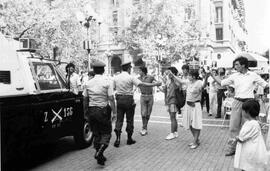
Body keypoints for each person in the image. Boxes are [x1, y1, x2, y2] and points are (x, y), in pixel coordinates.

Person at [210, 56, 268, 156]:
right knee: (233, 126)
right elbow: (222, 83)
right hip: (237, 102)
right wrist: (212, 75)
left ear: (243, 65)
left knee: (250, 127)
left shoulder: (253, 75)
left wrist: (265, 95)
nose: (235, 66)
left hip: (249, 103)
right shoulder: (234, 76)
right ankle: (233, 148)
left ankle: (249, 148)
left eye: (236, 64)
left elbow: (265, 85)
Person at [113, 62, 161, 147]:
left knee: (119, 119)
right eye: (130, 68)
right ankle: (129, 139)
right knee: (129, 119)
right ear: (128, 69)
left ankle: (117, 138)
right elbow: (142, 84)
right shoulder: (131, 77)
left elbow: (113, 88)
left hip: (119, 99)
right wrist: (155, 84)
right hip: (128, 99)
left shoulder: (116, 78)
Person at [83, 60, 116, 165]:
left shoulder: (88, 83)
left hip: (92, 110)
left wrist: (86, 112)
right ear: (103, 70)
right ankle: (101, 150)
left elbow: (85, 99)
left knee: (96, 133)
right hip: (103, 110)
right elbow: (111, 98)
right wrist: (114, 112)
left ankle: (99, 155)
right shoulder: (107, 82)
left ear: (94, 70)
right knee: (106, 132)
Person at [230, 100, 269, 170]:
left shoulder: (251, 124)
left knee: (248, 168)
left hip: (251, 154)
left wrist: (234, 139)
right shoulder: (254, 122)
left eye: (242, 110)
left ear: (247, 112)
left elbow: (242, 138)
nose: (241, 112)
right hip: (253, 152)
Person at [159, 67, 180, 140]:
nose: (168, 74)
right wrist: (159, 85)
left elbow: (178, 85)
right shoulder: (169, 81)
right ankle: (175, 132)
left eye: (169, 72)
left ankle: (172, 133)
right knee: (173, 117)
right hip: (169, 101)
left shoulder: (175, 81)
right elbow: (165, 91)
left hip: (173, 101)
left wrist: (173, 77)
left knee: (172, 117)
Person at [138, 66, 158, 136]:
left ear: (143, 71)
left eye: (139, 71)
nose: (138, 72)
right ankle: (144, 128)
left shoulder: (150, 77)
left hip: (150, 97)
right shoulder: (138, 78)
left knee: (148, 114)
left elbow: (158, 82)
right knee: (143, 114)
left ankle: (145, 127)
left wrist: (157, 84)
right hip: (143, 97)